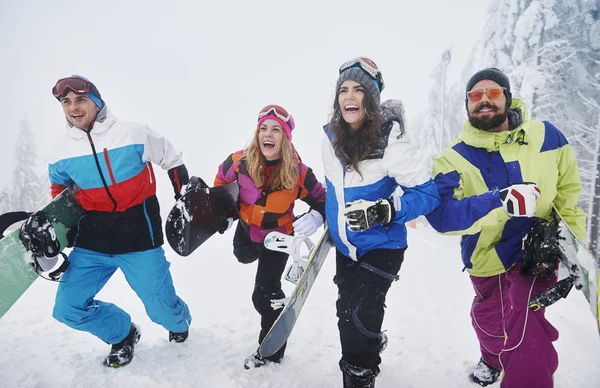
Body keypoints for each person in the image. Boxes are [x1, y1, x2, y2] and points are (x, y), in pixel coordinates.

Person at [425, 68, 586, 388]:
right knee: (489, 321)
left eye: (494, 93)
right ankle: (491, 356)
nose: (484, 100)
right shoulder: (453, 159)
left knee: (526, 328)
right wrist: (499, 203)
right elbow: (442, 216)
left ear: (508, 97)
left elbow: (568, 194)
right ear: (467, 105)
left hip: (536, 252)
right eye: (475, 96)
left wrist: (574, 246)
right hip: (486, 256)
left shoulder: (546, 135)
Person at [20, 75, 193, 368]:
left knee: (163, 312)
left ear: (96, 102)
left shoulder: (133, 134)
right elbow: (60, 197)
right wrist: (48, 228)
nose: (73, 107)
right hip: (92, 244)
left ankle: (179, 321)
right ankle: (122, 333)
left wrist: (185, 195)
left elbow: (171, 159)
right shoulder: (60, 152)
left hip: (139, 239)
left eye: (80, 100)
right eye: (66, 102)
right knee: (67, 308)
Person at [321, 57, 441, 388]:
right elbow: (333, 191)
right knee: (345, 313)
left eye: (359, 90)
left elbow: (428, 195)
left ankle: (360, 374)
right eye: (343, 90)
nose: (349, 96)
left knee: (362, 311)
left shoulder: (391, 143)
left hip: (383, 245)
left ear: (371, 98)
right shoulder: (329, 141)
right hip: (347, 246)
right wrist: (322, 216)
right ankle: (363, 351)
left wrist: (384, 211)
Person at [213, 104, 326, 369]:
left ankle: (271, 349)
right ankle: (254, 263)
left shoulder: (298, 172)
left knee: (263, 295)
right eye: (264, 128)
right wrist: (225, 211)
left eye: (276, 129)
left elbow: (323, 199)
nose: (269, 134)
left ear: (285, 137)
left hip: (278, 238)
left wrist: (318, 214)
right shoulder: (238, 163)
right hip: (246, 230)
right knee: (241, 255)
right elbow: (220, 183)